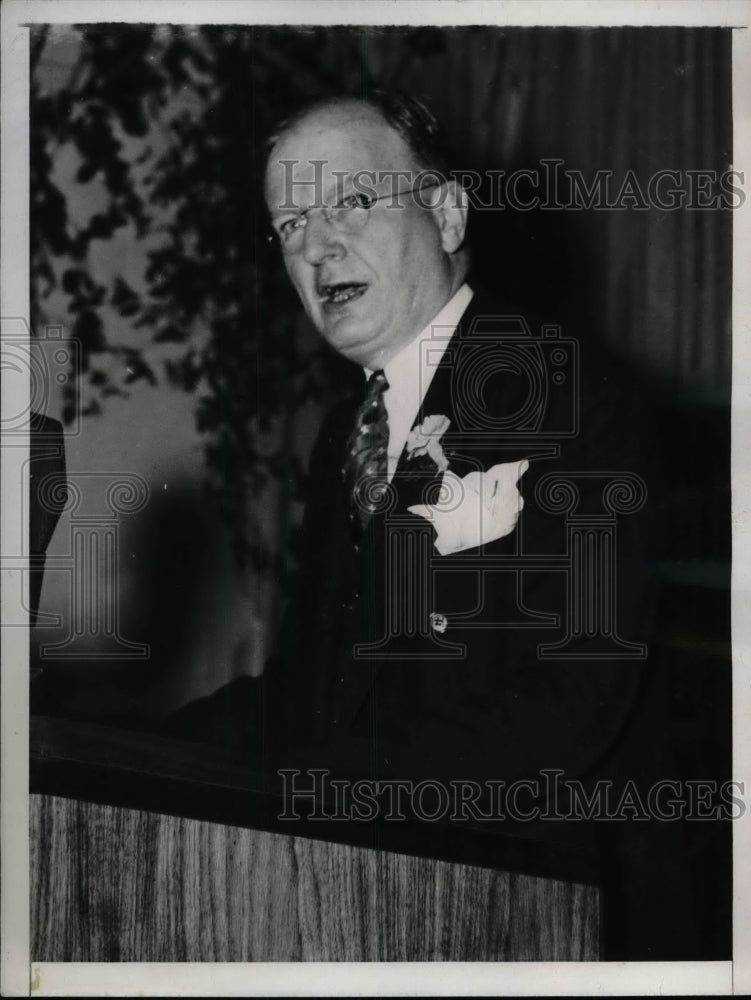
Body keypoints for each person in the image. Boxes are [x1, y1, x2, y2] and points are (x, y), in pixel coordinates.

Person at [167, 91, 699, 957]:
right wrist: (93, 745)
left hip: (550, 917)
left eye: (352, 203)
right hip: (382, 900)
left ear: (447, 213)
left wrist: (317, 784)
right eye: (291, 222)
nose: (316, 246)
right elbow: (307, 695)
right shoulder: (349, 436)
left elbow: (571, 702)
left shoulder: (574, 401)